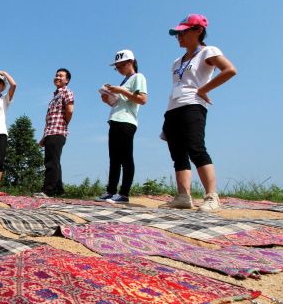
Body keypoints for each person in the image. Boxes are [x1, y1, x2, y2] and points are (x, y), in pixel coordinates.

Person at [160, 14, 236, 212]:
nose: (179, 36)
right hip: (173, 107)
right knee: (178, 153)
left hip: (193, 105)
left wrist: (203, 90)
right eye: (178, 33)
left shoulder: (208, 51)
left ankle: (212, 196)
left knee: (196, 148)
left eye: (184, 32)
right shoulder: (177, 61)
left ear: (198, 30)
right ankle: (183, 196)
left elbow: (229, 70)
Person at [95, 50, 147, 204]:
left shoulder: (138, 77)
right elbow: (120, 103)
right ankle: (111, 191)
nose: (118, 69)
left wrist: (120, 90)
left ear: (130, 62)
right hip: (115, 119)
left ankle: (124, 193)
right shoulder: (124, 81)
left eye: (120, 65)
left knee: (126, 158)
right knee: (114, 159)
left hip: (127, 122)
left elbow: (142, 99)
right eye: (116, 67)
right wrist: (107, 98)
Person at [35, 68, 74, 197]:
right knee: (55, 161)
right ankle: (59, 190)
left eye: (61, 76)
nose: (58, 77)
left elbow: (69, 111)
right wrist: (44, 137)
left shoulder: (67, 92)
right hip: (50, 132)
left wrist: (63, 125)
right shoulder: (55, 96)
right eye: (56, 75)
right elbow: (50, 119)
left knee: (51, 162)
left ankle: (48, 190)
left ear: (67, 80)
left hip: (58, 131)